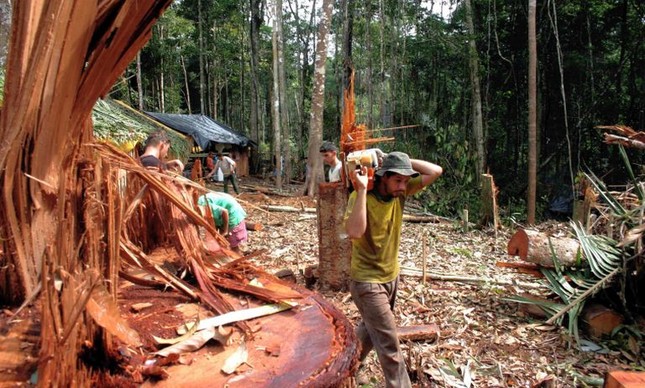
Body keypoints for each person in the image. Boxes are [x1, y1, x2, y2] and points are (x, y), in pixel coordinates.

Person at [344, 151, 442, 387]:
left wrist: (397, 158)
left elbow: (435, 171)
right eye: (397, 180)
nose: (403, 186)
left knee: (370, 328)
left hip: (391, 275)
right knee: (390, 346)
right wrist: (361, 192)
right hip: (367, 281)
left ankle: (346, 365)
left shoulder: (401, 192)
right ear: (382, 177)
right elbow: (355, 232)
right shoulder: (361, 196)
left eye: (406, 181)